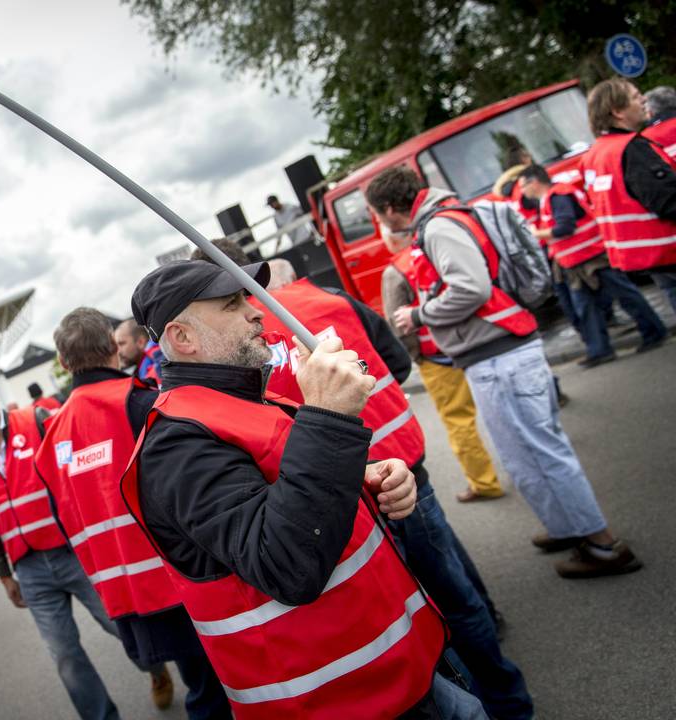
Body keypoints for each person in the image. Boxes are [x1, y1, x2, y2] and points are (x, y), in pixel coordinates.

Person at [121, 259, 483, 718]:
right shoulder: (175, 445)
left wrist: (372, 480)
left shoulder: (252, 397)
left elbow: (298, 492)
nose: (255, 312)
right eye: (232, 304)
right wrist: (330, 417)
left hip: (402, 666)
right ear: (182, 338)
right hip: (339, 702)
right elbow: (287, 565)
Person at [238, 255, 533, 719]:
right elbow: (396, 361)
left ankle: (472, 693)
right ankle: (508, 698)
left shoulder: (246, 346)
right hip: (400, 458)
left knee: (416, 601)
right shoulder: (329, 298)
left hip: (348, 490)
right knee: (451, 579)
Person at [368, 164, 643, 578]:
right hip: (496, 355)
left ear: (390, 209)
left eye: (376, 214)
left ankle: (604, 545)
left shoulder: (439, 228)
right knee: (525, 455)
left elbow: (471, 288)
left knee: (543, 454)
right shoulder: (446, 218)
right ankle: (570, 528)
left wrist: (419, 313)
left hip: (500, 357)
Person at [34, 307, 230, 720]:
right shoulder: (140, 402)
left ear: (65, 363)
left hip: (125, 596)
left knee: (200, 682)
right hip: (185, 581)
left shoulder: (50, 439)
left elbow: (66, 522)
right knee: (220, 689)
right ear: (112, 348)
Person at [0, 377, 174, 719]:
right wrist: (3, 574)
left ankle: (156, 670)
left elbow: (73, 474)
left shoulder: (36, 420)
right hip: (29, 568)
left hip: (73, 552)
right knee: (65, 656)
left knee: (121, 627)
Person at [380, 220, 506, 502]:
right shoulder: (433, 252)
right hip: (471, 343)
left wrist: (417, 355)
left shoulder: (394, 271)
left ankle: (484, 483)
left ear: (391, 239)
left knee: (459, 421)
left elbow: (396, 323)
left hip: (436, 356)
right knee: (498, 408)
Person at [520, 162, 668, 365]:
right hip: (579, 263)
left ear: (534, 182)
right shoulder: (552, 197)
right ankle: (600, 350)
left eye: (523, 186)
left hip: (592, 257)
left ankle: (652, 332)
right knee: (588, 307)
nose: (522, 192)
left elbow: (565, 228)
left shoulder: (558, 196)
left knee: (623, 296)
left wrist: (536, 234)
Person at [581, 78, 676, 314]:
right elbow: (667, 201)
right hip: (669, 249)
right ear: (618, 111)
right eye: (635, 97)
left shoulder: (594, 155)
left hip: (649, 256)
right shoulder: (632, 148)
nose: (643, 100)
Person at [113, 318, 165, 384]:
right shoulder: (146, 366)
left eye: (121, 344)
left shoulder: (159, 362)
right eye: (116, 346)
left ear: (141, 342)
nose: (118, 351)